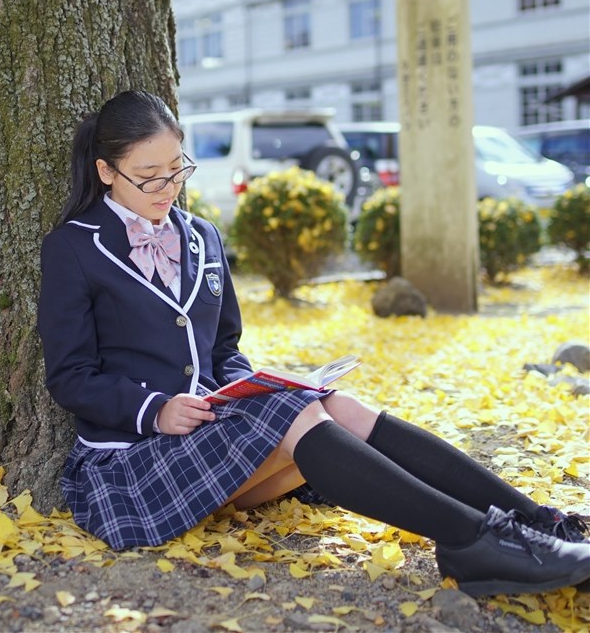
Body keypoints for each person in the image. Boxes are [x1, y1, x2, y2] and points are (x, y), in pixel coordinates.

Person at [38, 90, 590, 598]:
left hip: (209, 440)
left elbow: (224, 348)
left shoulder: (201, 234)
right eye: (148, 176)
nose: (167, 187)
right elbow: (71, 375)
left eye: (176, 169)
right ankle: (476, 543)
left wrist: (246, 389)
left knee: (336, 405)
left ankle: (536, 522)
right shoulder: (73, 248)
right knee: (295, 413)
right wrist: (154, 409)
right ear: (107, 172)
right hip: (129, 468)